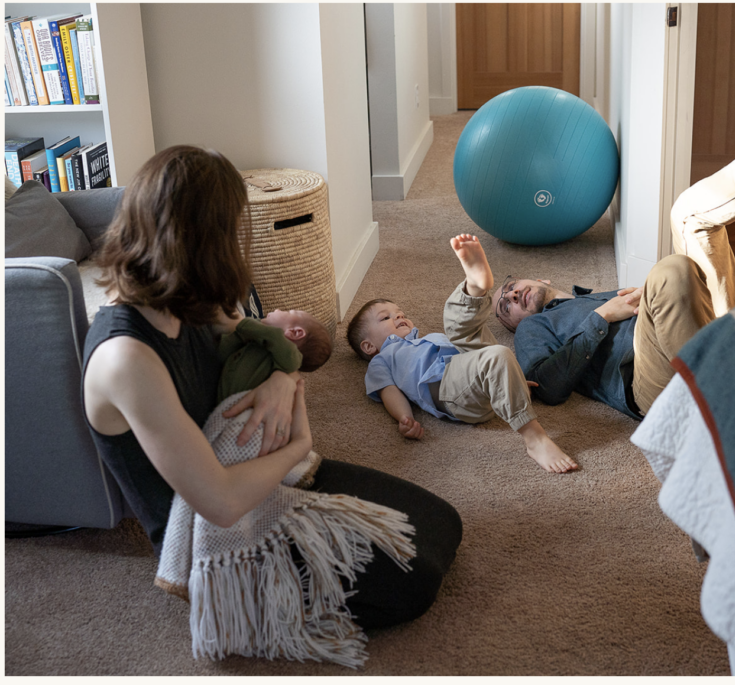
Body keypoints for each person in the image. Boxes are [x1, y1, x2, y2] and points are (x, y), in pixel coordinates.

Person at [82, 145, 462, 632]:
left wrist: (284, 379)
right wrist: (299, 445)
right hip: (212, 531)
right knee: (413, 579)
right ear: (200, 240)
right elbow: (217, 502)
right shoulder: (126, 357)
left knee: (439, 522)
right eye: (232, 231)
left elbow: (269, 343)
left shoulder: (185, 295)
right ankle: (245, 605)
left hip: (257, 474)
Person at [493, 37, 735, 418]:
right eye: (504, 308)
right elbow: (549, 388)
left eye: (509, 288)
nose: (510, 298)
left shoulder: (592, 293)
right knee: (670, 270)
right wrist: (603, 316)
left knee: (687, 217)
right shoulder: (534, 329)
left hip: (705, 343)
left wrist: (655, 300)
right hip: (648, 382)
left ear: (537, 277)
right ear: (514, 326)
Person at [347, 234, 578, 474]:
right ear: (368, 347)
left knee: (466, 334)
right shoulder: (383, 359)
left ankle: (475, 287)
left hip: (468, 375)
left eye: (401, 313)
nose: (399, 317)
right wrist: (404, 418)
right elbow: (389, 392)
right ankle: (535, 439)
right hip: (448, 390)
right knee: (494, 352)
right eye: (386, 318)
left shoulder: (425, 339)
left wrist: (513, 380)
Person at [217, 307, 333, 403]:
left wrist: (241, 322)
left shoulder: (291, 358)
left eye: (288, 312)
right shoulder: (266, 345)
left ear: (294, 332)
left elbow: (274, 335)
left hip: (237, 407)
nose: (278, 309)